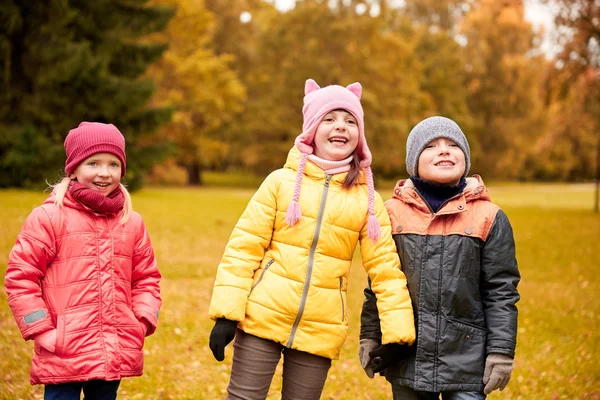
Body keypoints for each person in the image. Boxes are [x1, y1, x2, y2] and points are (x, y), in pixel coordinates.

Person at [208, 79, 416, 399]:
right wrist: (226, 313)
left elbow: (386, 270)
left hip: (321, 328)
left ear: (359, 135)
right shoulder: (280, 183)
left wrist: (398, 335)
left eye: (350, 121)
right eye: (330, 119)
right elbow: (243, 248)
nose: (340, 127)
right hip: (262, 315)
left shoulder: (367, 200)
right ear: (312, 129)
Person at [359, 116, 521, 400]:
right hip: (408, 354)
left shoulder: (489, 217)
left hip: (468, 357)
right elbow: (380, 281)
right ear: (414, 162)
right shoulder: (390, 214)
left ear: (465, 158)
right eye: (431, 146)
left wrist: (501, 351)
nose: (444, 150)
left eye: (452, 145)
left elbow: (501, 291)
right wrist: (370, 333)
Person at [4, 122, 162, 400]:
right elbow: (21, 277)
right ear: (74, 168)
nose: (104, 173)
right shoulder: (49, 218)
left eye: (114, 164)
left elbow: (146, 278)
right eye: (93, 163)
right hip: (63, 349)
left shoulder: (131, 222)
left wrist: (141, 320)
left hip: (114, 347)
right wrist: (41, 331)